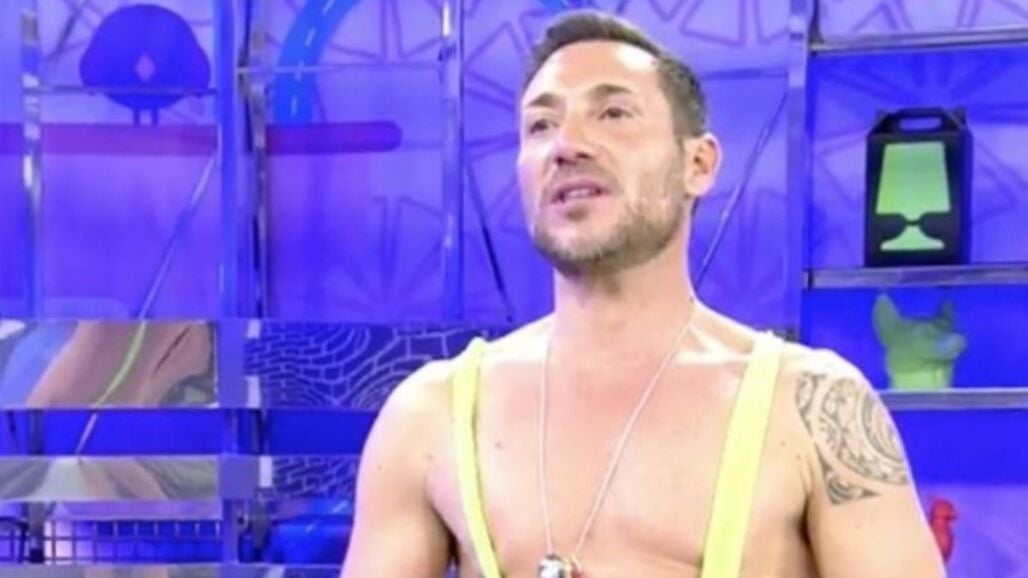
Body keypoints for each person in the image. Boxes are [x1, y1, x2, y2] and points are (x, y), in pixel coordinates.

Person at [341, 10, 946, 578]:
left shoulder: (815, 407)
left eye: (613, 113)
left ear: (698, 164)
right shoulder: (431, 416)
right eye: (541, 125)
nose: (567, 145)